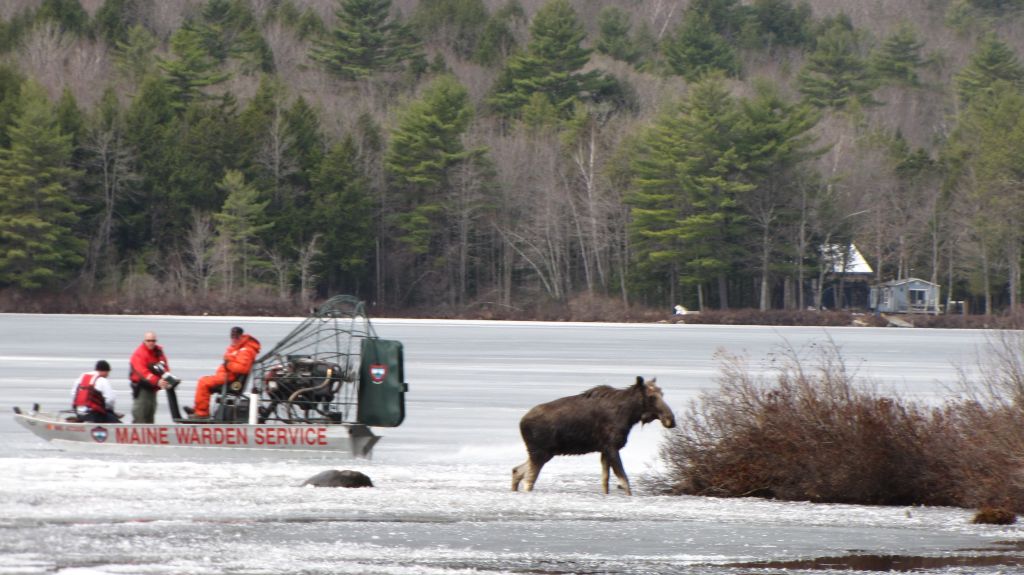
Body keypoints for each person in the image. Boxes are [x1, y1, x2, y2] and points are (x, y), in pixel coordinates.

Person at [186, 326, 261, 419]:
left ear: (241, 336)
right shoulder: (238, 348)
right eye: (232, 335)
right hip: (227, 377)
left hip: (230, 380)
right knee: (205, 381)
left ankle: (202, 413)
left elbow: (242, 368)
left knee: (203, 382)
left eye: (235, 335)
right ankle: (198, 409)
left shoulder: (246, 350)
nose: (233, 338)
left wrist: (228, 364)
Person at [129, 331, 173, 424]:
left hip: (153, 389)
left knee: (150, 416)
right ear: (144, 341)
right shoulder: (139, 354)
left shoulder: (158, 352)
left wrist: (169, 380)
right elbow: (143, 373)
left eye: (153, 340)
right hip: (142, 389)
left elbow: (164, 367)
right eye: (148, 340)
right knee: (140, 416)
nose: (151, 343)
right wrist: (158, 381)